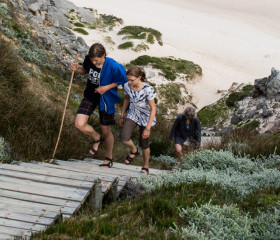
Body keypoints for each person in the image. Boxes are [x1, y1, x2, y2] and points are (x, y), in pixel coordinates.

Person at [70, 43, 126, 168]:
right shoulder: (88, 60)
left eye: (96, 60)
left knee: (107, 131)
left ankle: (108, 157)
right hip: (90, 95)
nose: (94, 63)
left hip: (106, 99)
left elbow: (122, 79)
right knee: (79, 124)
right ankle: (96, 137)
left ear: (104, 55)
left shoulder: (113, 66)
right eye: (92, 60)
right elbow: (85, 70)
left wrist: (106, 88)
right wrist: (77, 68)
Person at [120, 66, 156, 174]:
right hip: (133, 114)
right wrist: (122, 115)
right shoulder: (126, 86)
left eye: (132, 80)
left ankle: (145, 167)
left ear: (139, 77)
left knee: (144, 144)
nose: (129, 82)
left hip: (146, 117)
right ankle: (134, 150)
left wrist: (148, 128)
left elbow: (153, 109)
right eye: (128, 79)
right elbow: (126, 98)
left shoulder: (147, 90)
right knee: (124, 138)